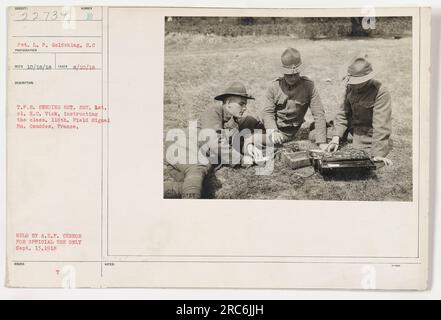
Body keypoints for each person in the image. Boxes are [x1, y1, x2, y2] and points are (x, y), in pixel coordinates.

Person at [164, 82, 264, 199]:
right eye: (241, 104)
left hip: (198, 155)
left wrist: (250, 144)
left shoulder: (234, 121)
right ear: (228, 103)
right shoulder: (214, 111)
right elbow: (215, 142)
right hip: (182, 145)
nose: (245, 108)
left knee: (202, 186)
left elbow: (254, 130)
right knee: (197, 169)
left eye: (245, 104)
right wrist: (241, 160)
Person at [327, 54, 393, 166]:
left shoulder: (381, 92)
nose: (355, 85)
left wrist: (378, 154)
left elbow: (381, 125)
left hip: (368, 135)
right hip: (352, 129)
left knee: (361, 149)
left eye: (358, 81)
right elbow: (343, 113)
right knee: (317, 133)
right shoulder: (350, 87)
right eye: (352, 81)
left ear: (368, 78)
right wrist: (336, 138)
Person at [261, 47, 328, 149]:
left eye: (296, 74)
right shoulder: (273, 87)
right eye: (289, 75)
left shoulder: (309, 86)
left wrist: (322, 141)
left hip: (297, 130)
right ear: (283, 72)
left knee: (317, 137)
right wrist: (273, 131)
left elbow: (318, 113)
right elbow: (267, 112)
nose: (293, 78)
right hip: (277, 130)